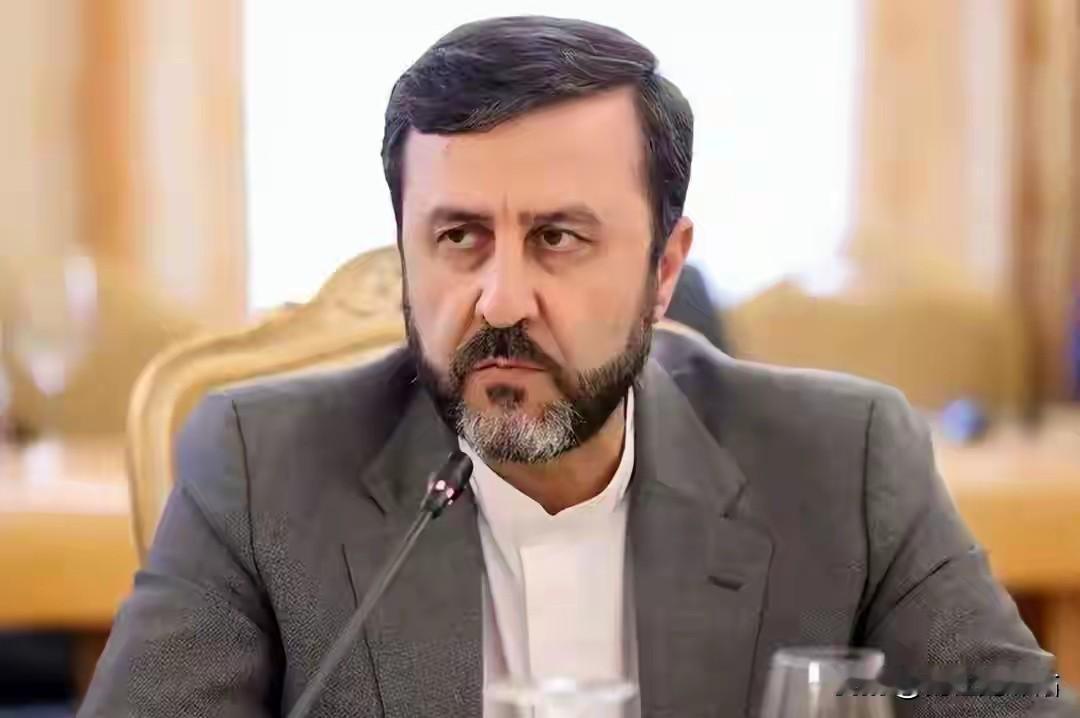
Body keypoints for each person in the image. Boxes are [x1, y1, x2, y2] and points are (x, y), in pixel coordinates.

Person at [81, 16, 1072, 717]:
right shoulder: (258, 465)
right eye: (459, 236)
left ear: (663, 270)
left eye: (557, 237)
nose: (502, 300)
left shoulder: (845, 460)